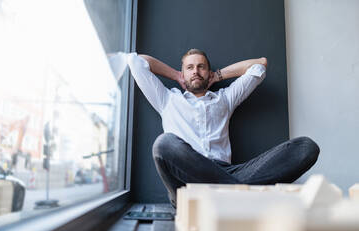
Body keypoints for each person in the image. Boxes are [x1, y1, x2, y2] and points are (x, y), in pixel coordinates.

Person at [126, 49, 320, 208]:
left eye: (201, 67)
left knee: (306, 147)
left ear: (209, 72)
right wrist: (176, 75)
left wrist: (219, 76)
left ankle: (232, 193)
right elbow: (136, 62)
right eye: (189, 68)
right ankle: (237, 194)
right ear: (183, 73)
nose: (195, 71)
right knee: (164, 144)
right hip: (186, 186)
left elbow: (259, 65)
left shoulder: (225, 98)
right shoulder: (167, 99)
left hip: (228, 172)